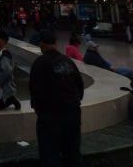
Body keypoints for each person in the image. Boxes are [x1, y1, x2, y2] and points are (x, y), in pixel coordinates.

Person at [29, 29, 84, 167]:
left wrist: (40, 111)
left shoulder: (40, 63)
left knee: (50, 155)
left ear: (41, 44)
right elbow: (80, 86)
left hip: (51, 116)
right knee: (72, 153)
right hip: (73, 114)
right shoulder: (67, 61)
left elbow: (35, 92)